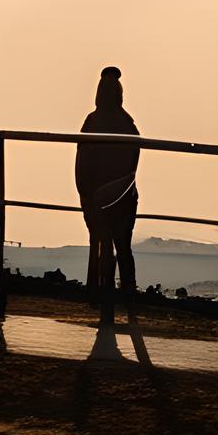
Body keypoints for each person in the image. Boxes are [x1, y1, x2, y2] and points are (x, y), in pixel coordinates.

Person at [74, 64, 140, 310]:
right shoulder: (127, 123)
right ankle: (127, 295)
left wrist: (86, 194)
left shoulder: (92, 122)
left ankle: (103, 292)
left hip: (98, 195)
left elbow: (81, 163)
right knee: (122, 245)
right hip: (122, 194)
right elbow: (134, 158)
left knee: (103, 243)